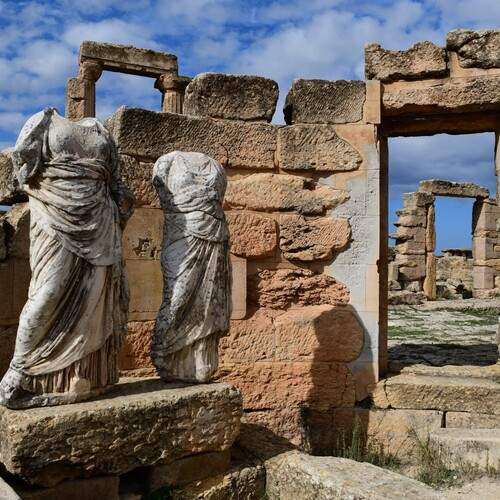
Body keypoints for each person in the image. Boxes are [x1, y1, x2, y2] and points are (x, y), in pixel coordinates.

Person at [0, 107, 134, 409]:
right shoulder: (42, 121)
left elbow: (115, 181)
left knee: (95, 298)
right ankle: (20, 371)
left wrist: (121, 208)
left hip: (100, 221)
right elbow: (22, 169)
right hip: (53, 212)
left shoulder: (101, 130)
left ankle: (84, 377)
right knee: (47, 292)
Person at [152, 151, 231, 383]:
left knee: (209, 302)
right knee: (178, 297)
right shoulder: (168, 162)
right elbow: (166, 201)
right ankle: (165, 354)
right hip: (182, 236)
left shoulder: (216, 166)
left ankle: (200, 359)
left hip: (214, 235)